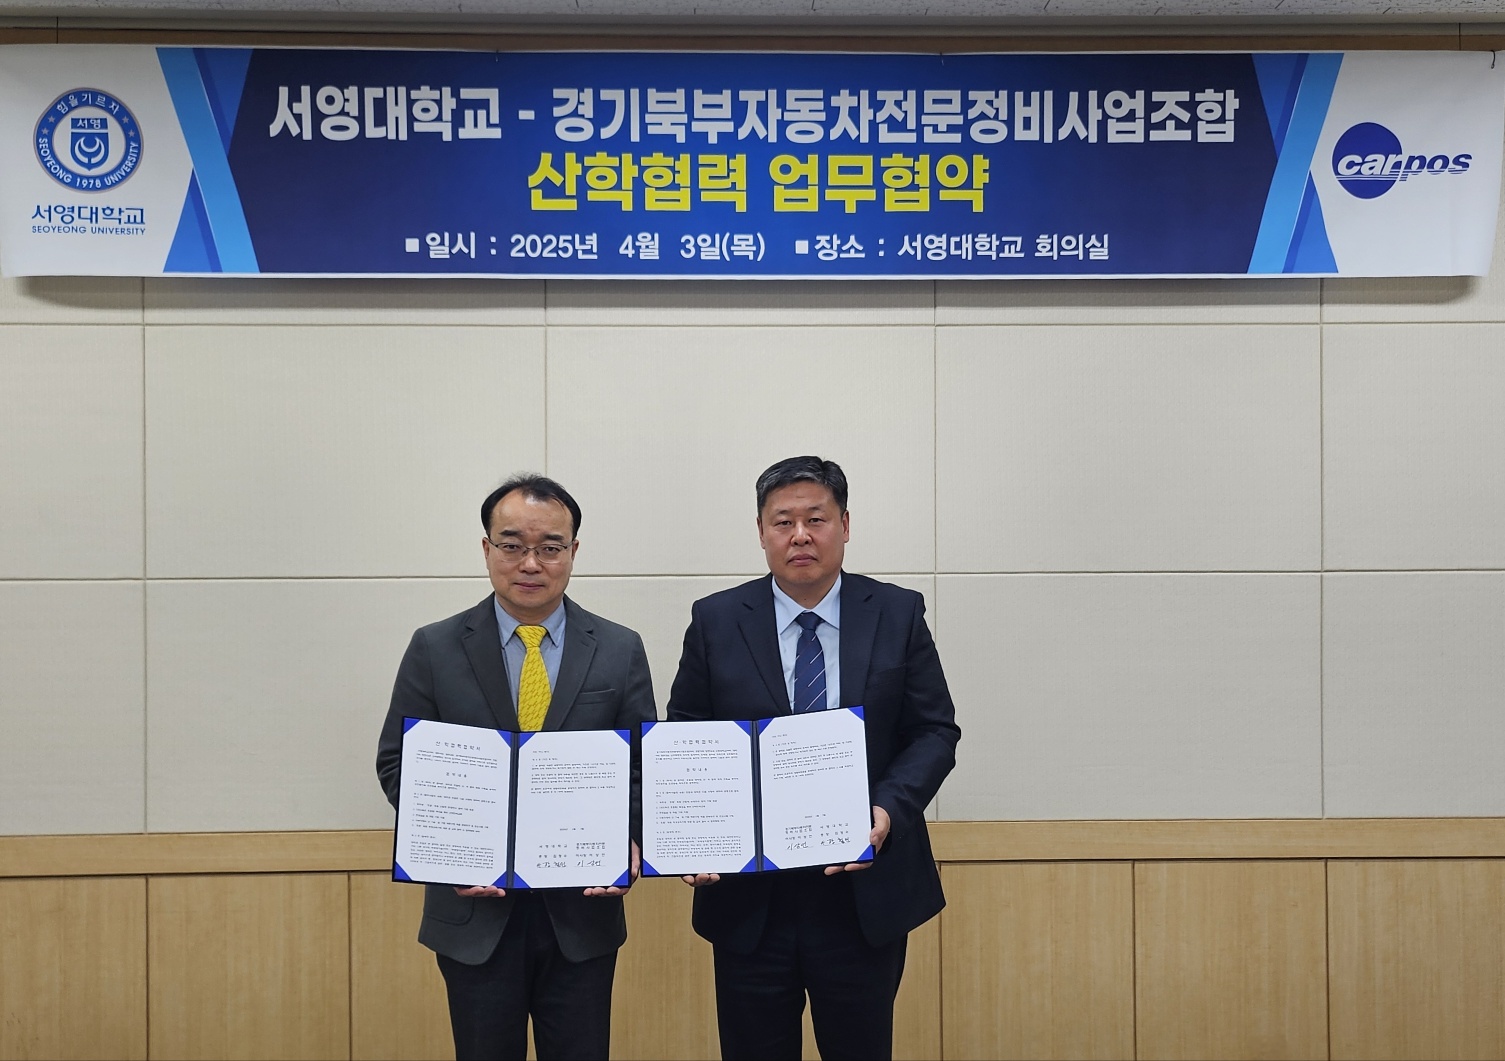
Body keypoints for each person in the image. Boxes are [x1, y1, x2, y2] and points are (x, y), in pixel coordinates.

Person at [665, 455, 961, 1061]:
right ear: (761, 532)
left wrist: (887, 809)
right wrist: (693, 835)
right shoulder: (717, 620)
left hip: (862, 893)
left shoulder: (897, 612)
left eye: (816, 519)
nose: (800, 535)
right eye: (783, 522)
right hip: (751, 900)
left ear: (845, 525)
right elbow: (687, 737)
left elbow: (933, 731)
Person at [376, 474, 654, 1061]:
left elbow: (642, 768)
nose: (530, 563)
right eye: (512, 545)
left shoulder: (619, 648)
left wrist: (631, 836)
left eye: (550, 547)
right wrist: (452, 844)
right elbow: (399, 762)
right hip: (474, 912)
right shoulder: (435, 647)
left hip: (581, 910)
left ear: (573, 552)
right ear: (486, 549)